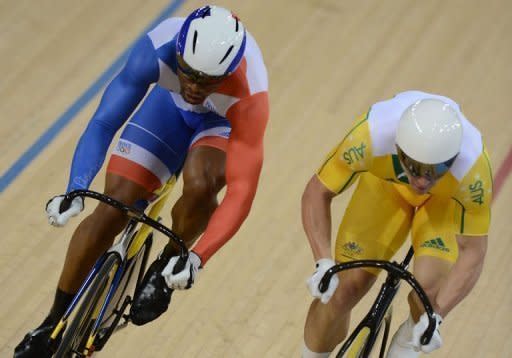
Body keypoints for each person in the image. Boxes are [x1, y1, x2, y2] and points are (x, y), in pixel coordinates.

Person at [14, 5, 269, 357]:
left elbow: (242, 193)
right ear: (178, 52)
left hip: (219, 126)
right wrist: (75, 189)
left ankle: (167, 260)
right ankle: (51, 321)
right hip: (168, 109)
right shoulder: (157, 47)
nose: (194, 87)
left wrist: (195, 258)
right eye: (189, 73)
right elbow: (103, 123)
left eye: (207, 81)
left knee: (201, 184)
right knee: (110, 210)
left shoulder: (250, 95)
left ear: (227, 72)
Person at [301, 91, 491, 357]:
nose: (422, 182)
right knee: (342, 290)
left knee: (428, 298)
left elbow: (473, 251)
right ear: (398, 148)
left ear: (452, 159)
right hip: (386, 189)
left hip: (443, 205)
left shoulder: (474, 172)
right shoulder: (370, 136)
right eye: (412, 167)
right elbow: (317, 192)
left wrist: (437, 315)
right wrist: (322, 262)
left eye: (435, 171)